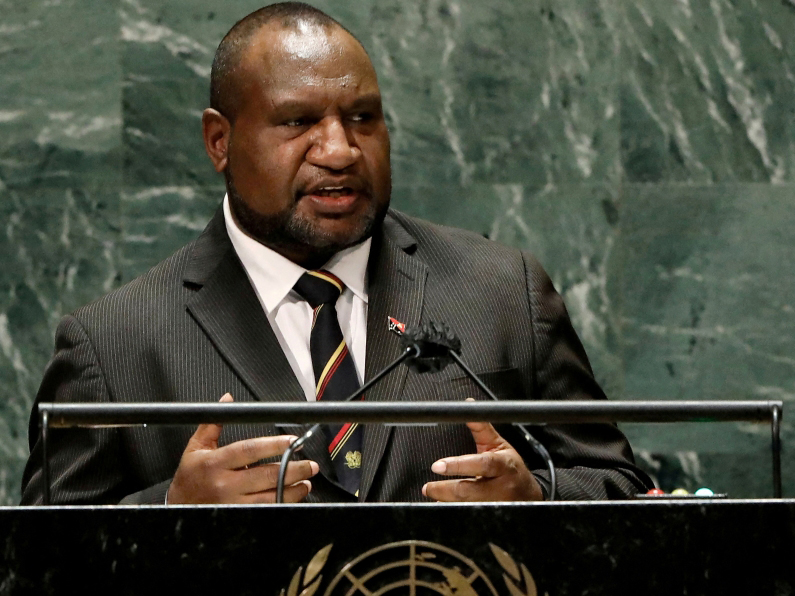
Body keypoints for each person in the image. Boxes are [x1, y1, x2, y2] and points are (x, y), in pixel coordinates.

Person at [20, 2, 651, 505]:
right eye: (298, 122)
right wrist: (168, 511)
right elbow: (35, 566)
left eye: (362, 118)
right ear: (220, 140)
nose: (340, 149)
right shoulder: (112, 343)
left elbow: (621, 487)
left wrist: (537, 498)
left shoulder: (500, 291)